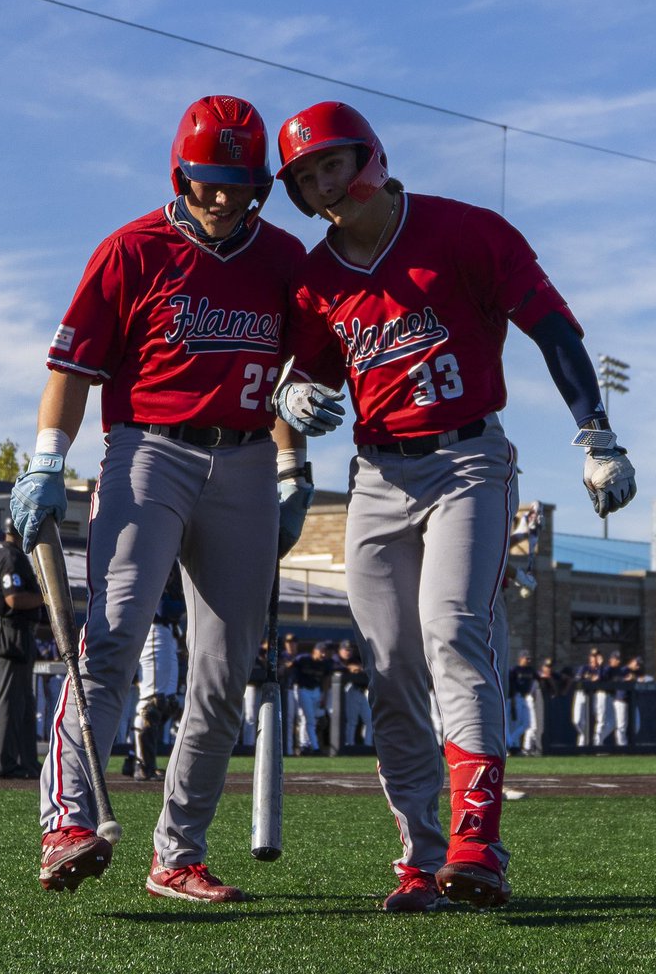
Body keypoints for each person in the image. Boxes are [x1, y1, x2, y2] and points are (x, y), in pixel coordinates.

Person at [272, 101, 637, 912]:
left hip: (468, 459)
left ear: (367, 157)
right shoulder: (316, 277)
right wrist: (292, 443)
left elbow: (552, 329)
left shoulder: (467, 232)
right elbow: (297, 383)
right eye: (305, 176)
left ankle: (478, 841)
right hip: (375, 477)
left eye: (331, 164)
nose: (323, 185)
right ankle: (418, 856)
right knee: (392, 668)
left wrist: (596, 434)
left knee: (450, 633)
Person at [8, 95, 309, 901]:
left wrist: (293, 473)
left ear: (260, 184)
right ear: (182, 172)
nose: (221, 196)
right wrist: (45, 461)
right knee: (111, 635)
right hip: (148, 450)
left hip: (246, 462)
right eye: (208, 180)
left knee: (221, 670)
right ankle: (68, 823)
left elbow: (293, 384)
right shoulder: (132, 249)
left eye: (237, 182)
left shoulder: (284, 258)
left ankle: (178, 852)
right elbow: (70, 371)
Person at [0, 519, 44, 780]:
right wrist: (45, 596)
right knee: (8, 702)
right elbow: (13, 598)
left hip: (13, 633)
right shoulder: (10, 557)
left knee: (23, 703)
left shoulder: (11, 554)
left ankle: (26, 762)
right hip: (9, 633)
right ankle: (3, 765)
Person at [132, 573, 185, 782]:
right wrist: (181, 605)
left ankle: (136, 758)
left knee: (168, 703)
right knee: (152, 702)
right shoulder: (156, 553)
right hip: (154, 629)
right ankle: (142, 764)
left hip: (168, 633)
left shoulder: (177, 562)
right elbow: (162, 607)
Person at [290, 640, 332, 754]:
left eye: (325, 652)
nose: (323, 654)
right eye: (321, 651)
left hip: (316, 691)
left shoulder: (325, 663)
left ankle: (307, 744)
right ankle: (312, 746)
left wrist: (325, 696)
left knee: (316, 720)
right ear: (315, 651)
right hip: (303, 690)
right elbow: (291, 665)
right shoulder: (303, 659)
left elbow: (326, 680)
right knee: (309, 719)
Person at [336, 638, 373, 748]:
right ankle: (349, 743)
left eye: (349, 650)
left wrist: (358, 669)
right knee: (352, 721)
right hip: (350, 691)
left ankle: (368, 744)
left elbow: (364, 668)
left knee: (369, 720)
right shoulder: (337, 660)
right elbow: (335, 667)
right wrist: (350, 668)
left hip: (362, 692)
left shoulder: (356, 659)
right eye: (345, 649)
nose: (348, 652)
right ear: (340, 650)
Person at [508, 651, 539, 756]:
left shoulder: (531, 670)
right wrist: (512, 699)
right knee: (517, 723)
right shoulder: (514, 670)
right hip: (517, 697)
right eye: (527, 658)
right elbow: (510, 684)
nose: (528, 660)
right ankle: (513, 746)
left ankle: (513, 744)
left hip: (526, 697)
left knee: (527, 724)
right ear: (520, 658)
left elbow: (539, 679)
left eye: (529, 658)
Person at [571, 647, 604, 747]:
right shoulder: (585, 668)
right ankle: (583, 737)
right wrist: (590, 678)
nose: (594, 658)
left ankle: (583, 745)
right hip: (581, 694)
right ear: (590, 657)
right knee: (576, 720)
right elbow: (577, 680)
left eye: (596, 656)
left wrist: (601, 666)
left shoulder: (601, 669)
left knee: (591, 721)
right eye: (593, 656)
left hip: (593, 695)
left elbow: (601, 678)